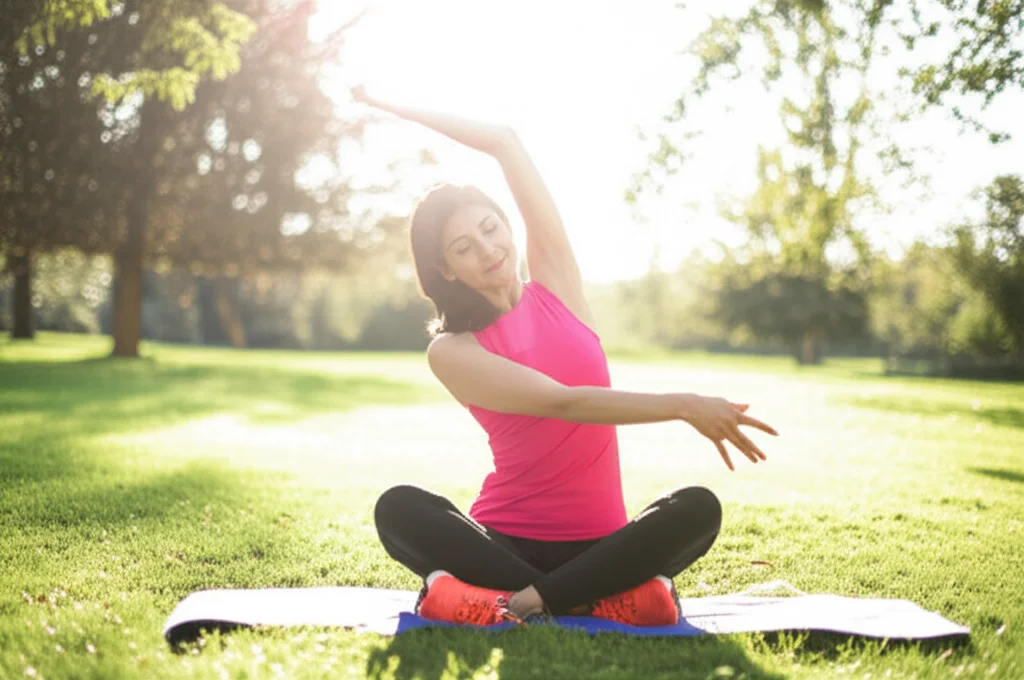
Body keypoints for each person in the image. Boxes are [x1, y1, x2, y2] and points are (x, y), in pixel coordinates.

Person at [353, 86, 779, 627]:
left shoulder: (557, 285)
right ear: (447, 271)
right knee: (400, 507)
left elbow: (505, 142)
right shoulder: (453, 351)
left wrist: (401, 105)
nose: (488, 250)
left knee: (697, 508)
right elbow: (564, 403)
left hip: (603, 545)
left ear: (507, 225)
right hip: (502, 543)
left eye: (490, 229)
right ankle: (589, 598)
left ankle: (504, 599)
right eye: (463, 248)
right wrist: (686, 404)